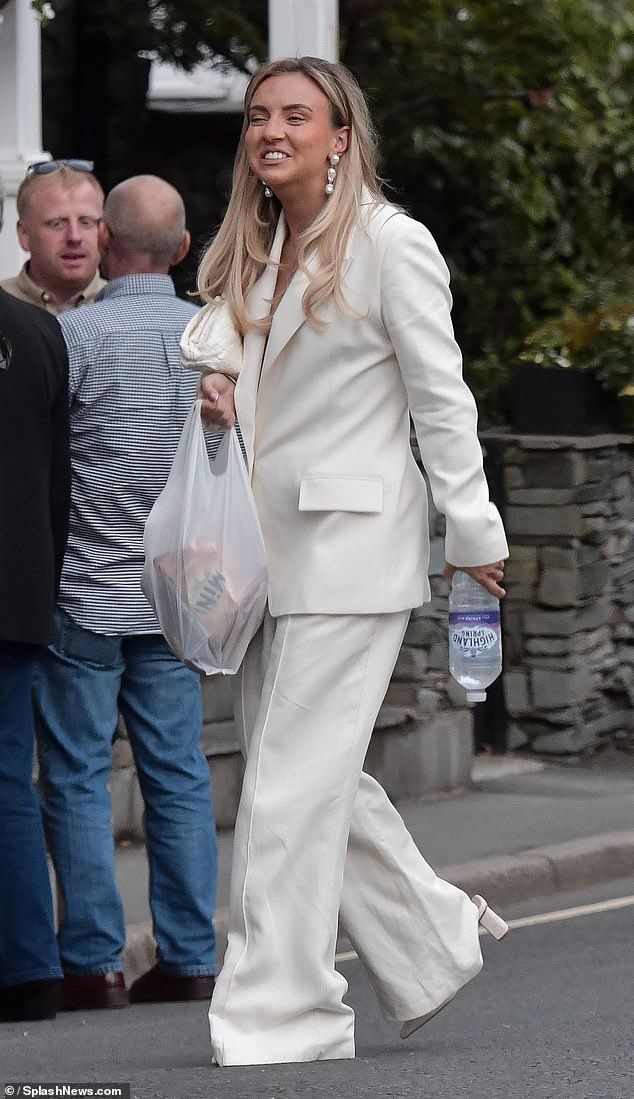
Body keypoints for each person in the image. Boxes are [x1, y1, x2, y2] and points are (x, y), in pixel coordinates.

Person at [184, 56, 511, 1067]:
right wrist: (222, 389)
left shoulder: (388, 243)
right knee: (321, 780)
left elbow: (439, 399)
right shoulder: (258, 248)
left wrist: (473, 540)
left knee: (283, 786)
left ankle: (286, 1013)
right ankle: (431, 941)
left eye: (295, 115)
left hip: (353, 551)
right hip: (262, 560)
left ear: (340, 136)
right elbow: (226, 357)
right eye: (257, 116)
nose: (271, 130)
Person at [33, 175, 218, 1012]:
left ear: (105, 241)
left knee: (76, 776)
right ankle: (188, 955)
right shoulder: (210, 337)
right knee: (177, 774)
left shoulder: (71, 337)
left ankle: (94, 962)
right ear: (184, 250)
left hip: (84, 592)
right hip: (181, 594)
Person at [0, 186, 71, 1023]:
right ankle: (28, 968)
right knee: (10, 783)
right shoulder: (38, 330)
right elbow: (59, 487)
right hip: (21, 594)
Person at [0, 160, 106, 315]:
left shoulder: (126, 308)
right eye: (57, 224)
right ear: (24, 235)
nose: (74, 237)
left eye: (86, 222)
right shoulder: (4, 306)